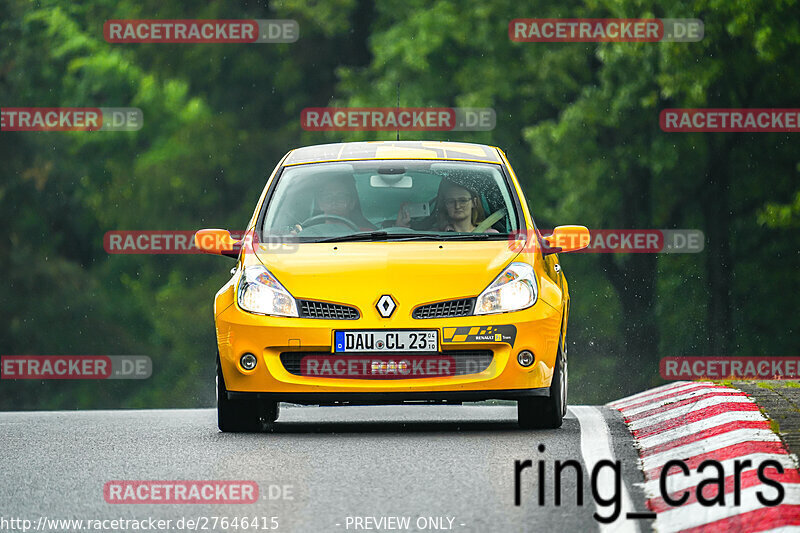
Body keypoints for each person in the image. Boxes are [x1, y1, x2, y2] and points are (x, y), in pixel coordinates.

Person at [396, 179, 499, 233]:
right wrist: (401, 227)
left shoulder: (492, 236)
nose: (457, 206)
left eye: (463, 200)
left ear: (474, 203)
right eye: (450, 201)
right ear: (445, 205)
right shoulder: (433, 235)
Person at [294, 174, 376, 233]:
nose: (333, 202)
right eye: (328, 197)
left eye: (340, 197)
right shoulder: (306, 235)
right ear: (320, 203)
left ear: (352, 203)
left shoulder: (367, 235)